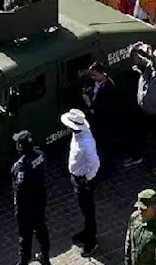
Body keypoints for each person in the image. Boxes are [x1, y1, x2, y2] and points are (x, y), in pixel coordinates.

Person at [127, 44, 156, 175]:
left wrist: (152, 57)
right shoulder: (147, 68)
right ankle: (137, 155)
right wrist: (135, 50)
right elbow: (135, 60)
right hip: (144, 111)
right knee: (139, 135)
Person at [62, 108, 100, 256]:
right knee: (84, 209)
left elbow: (95, 163)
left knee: (88, 210)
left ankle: (91, 240)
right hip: (78, 177)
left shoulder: (86, 142)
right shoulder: (77, 136)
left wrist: (87, 179)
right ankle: (86, 232)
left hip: (84, 181)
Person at [11, 131, 50, 265]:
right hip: (40, 198)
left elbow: (20, 190)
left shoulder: (20, 167)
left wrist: (18, 210)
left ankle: (23, 261)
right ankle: (45, 256)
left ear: (21, 147)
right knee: (41, 228)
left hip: (26, 207)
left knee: (25, 235)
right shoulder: (40, 155)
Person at [82, 62, 118, 169]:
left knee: (105, 144)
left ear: (102, 73)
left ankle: (107, 166)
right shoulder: (95, 83)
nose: (93, 77)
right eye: (92, 75)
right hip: (95, 120)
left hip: (105, 121)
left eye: (95, 75)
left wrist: (89, 103)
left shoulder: (109, 87)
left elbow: (105, 107)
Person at [124, 188, 156, 265]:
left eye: (143, 208)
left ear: (153, 208)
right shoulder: (134, 218)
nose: (140, 211)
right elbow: (128, 243)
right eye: (139, 207)